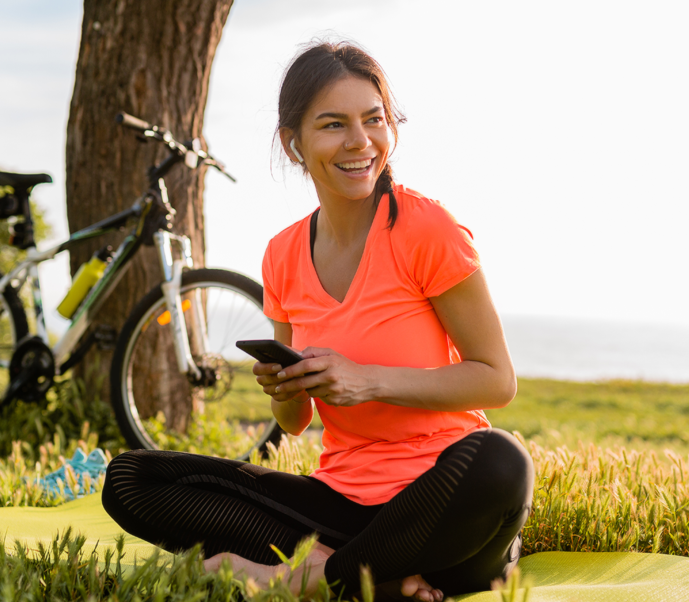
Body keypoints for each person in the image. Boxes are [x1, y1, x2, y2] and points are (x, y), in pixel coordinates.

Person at [101, 41, 533, 601]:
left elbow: (496, 379)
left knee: (503, 462)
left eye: (373, 119)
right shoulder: (283, 254)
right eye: (333, 124)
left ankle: (317, 579)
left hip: (444, 512)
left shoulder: (428, 230)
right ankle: (371, 579)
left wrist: (366, 379)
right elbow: (296, 420)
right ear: (294, 142)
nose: (360, 141)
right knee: (132, 479)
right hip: (341, 507)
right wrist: (284, 388)